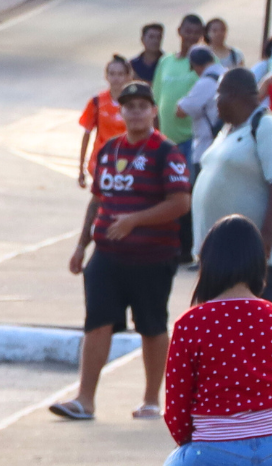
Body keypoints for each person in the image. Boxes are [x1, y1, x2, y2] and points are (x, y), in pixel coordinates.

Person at [56, 81, 191, 421]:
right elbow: (98, 199)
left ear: (153, 110)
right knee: (97, 322)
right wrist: (81, 245)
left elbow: (180, 202)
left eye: (142, 106)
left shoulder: (165, 152)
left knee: (151, 325)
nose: (135, 112)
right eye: (128, 106)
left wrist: (135, 220)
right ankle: (85, 400)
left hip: (153, 257)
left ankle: (150, 399)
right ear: (121, 110)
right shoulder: (110, 150)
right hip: (107, 256)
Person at [158, 216, 272, 466]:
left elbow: (176, 410)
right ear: (259, 262)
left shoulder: (189, 324)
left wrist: (196, 443)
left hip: (213, 458)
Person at [193, 69, 272, 302]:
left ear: (235, 95)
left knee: (249, 326)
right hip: (222, 255)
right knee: (218, 325)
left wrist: (266, 237)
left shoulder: (268, 127)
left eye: (218, 94)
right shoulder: (228, 130)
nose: (215, 102)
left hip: (255, 256)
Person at [78, 55, 132, 188]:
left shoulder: (134, 103)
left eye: (120, 74)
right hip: (100, 161)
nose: (116, 78)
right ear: (106, 76)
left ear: (127, 77)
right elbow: (86, 134)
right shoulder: (97, 101)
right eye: (112, 74)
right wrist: (81, 169)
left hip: (127, 160)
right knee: (103, 198)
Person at [154, 14, 205, 150]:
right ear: (179, 31)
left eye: (196, 33)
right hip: (165, 140)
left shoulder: (207, 62)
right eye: (188, 31)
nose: (192, 37)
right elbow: (156, 99)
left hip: (192, 140)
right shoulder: (165, 61)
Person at [176, 46, 224, 170]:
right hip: (229, 145)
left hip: (207, 148)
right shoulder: (228, 76)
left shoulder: (205, 83)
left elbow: (180, 111)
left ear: (196, 65)